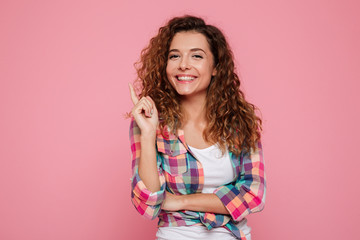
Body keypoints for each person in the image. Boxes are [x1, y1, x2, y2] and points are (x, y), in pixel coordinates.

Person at [128, 15, 266, 240]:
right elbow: (149, 205)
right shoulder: (150, 120)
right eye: (174, 56)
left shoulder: (239, 122)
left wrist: (180, 201)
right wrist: (149, 133)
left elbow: (254, 194)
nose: (183, 64)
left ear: (215, 67)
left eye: (196, 56)